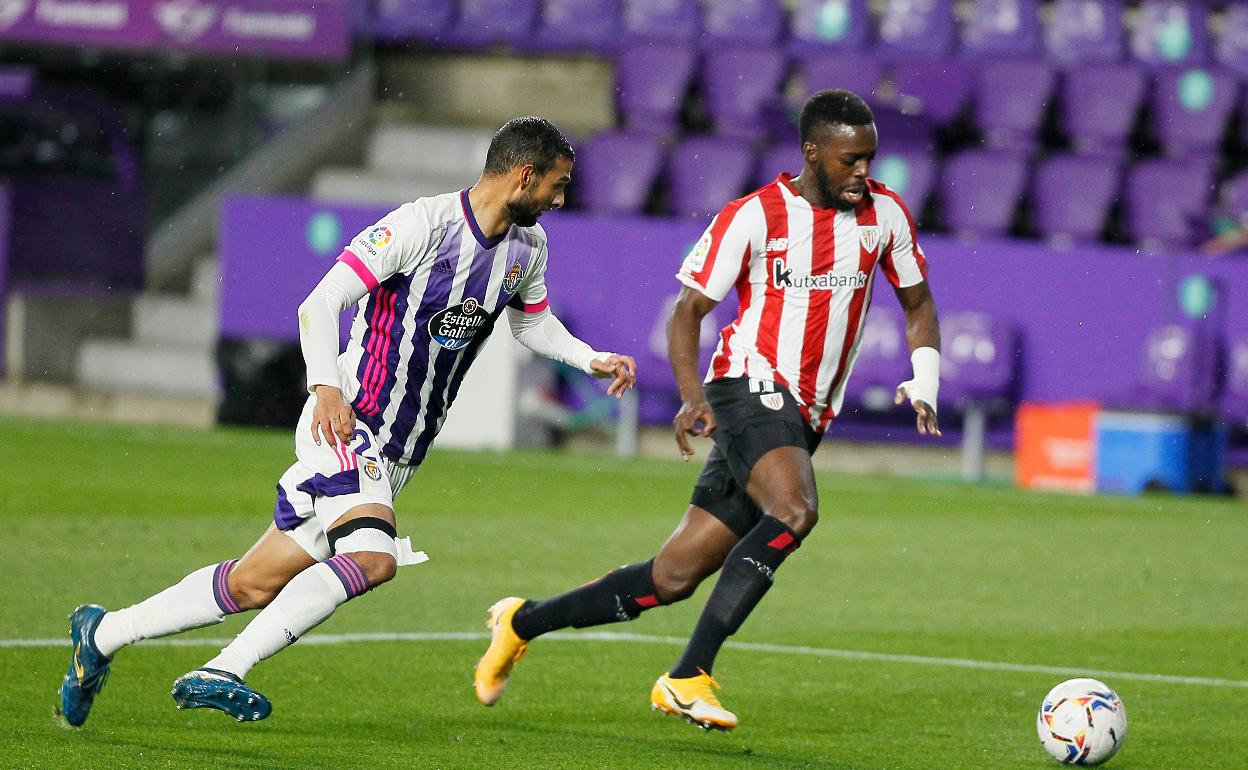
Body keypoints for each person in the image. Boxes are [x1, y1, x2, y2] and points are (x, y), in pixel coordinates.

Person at [57, 116, 637, 727]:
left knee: (253, 584)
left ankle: (101, 635)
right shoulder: (421, 226)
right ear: (525, 176)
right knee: (373, 558)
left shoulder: (528, 249)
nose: (561, 199)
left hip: (397, 454)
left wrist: (592, 358)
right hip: (348, 422)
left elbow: (531, 323)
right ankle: (223, 669)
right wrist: (327, 389)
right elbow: (320, 302)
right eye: (557, 185)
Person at [473, 90, 941, 731]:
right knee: (796, 509)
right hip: (747, 386)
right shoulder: (755, 217)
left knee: (669, 578)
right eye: (850, 160)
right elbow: (689, 313)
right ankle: (688, 675)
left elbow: (917, 303)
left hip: (803, 416)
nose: (863, 172)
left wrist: (926, 379)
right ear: (813, 153)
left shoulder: (885, 215)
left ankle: (521, 621)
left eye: (869, 159)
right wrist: (694, 395)